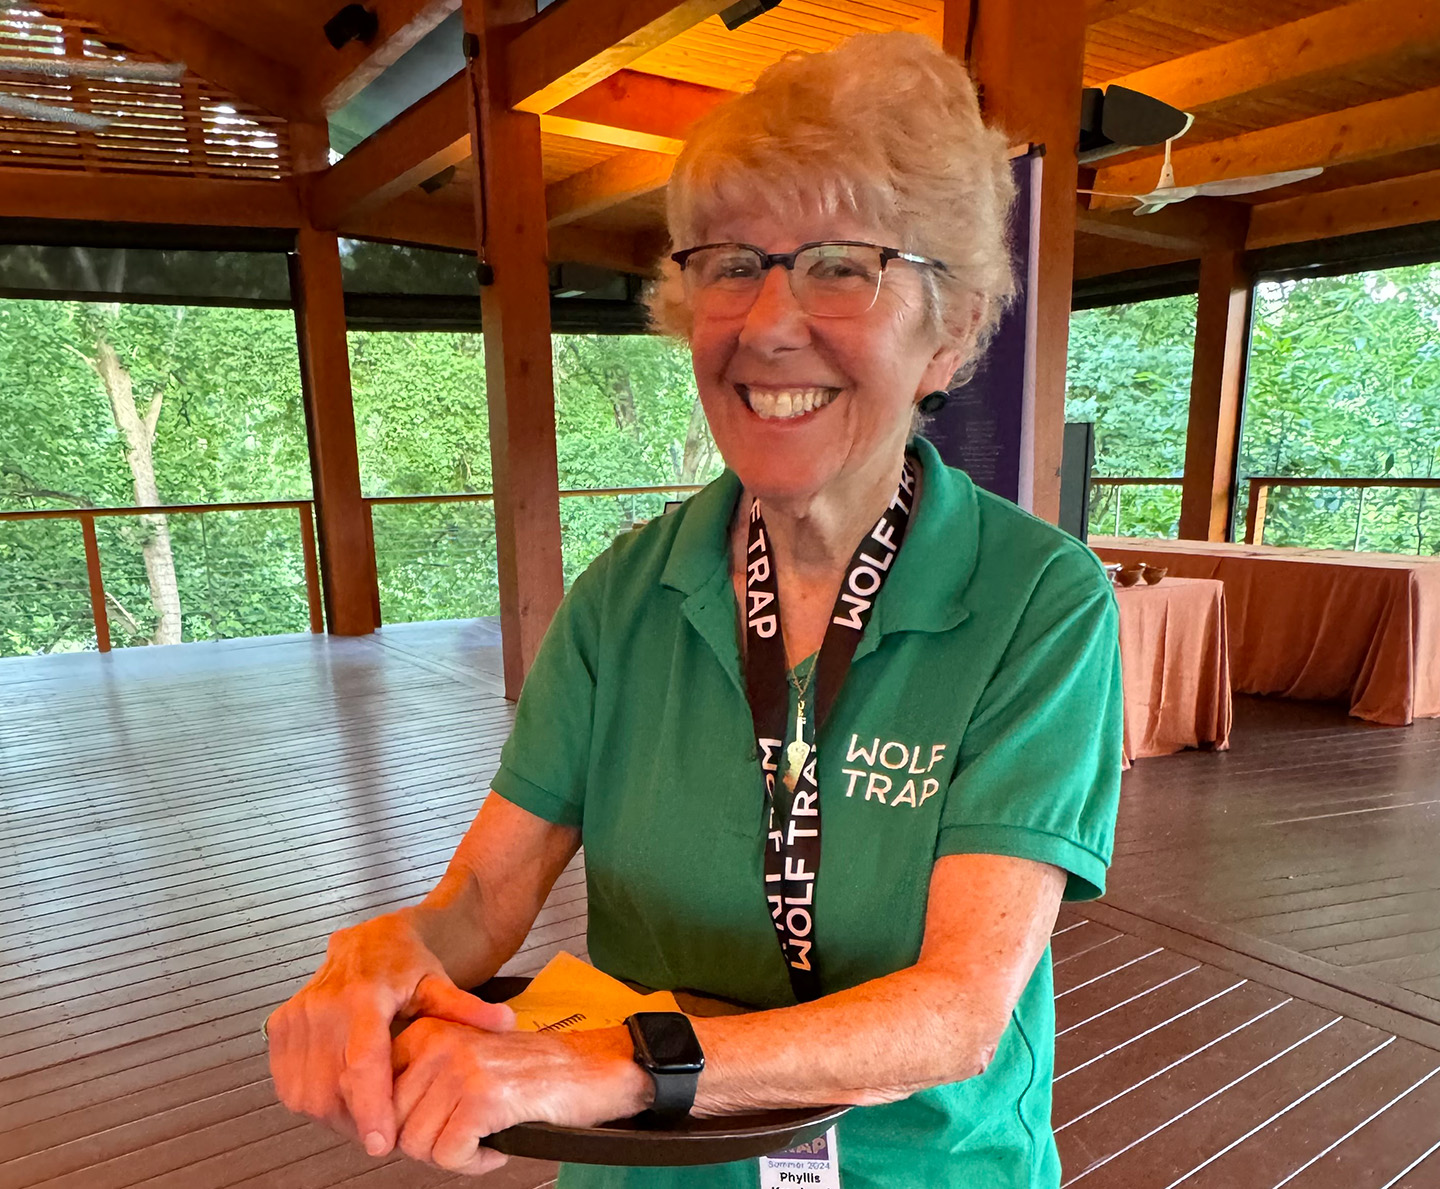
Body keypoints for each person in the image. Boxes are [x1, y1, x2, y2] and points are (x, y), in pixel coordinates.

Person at [266, 30, 1123, 1188]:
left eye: (840, 265)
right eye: (729, 263)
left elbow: (956, 1012)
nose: (769, 322)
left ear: (954, 330)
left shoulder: (1036, 603)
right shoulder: (625, 593)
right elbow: (486, 892)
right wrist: (386, 955)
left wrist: (624, 1067)